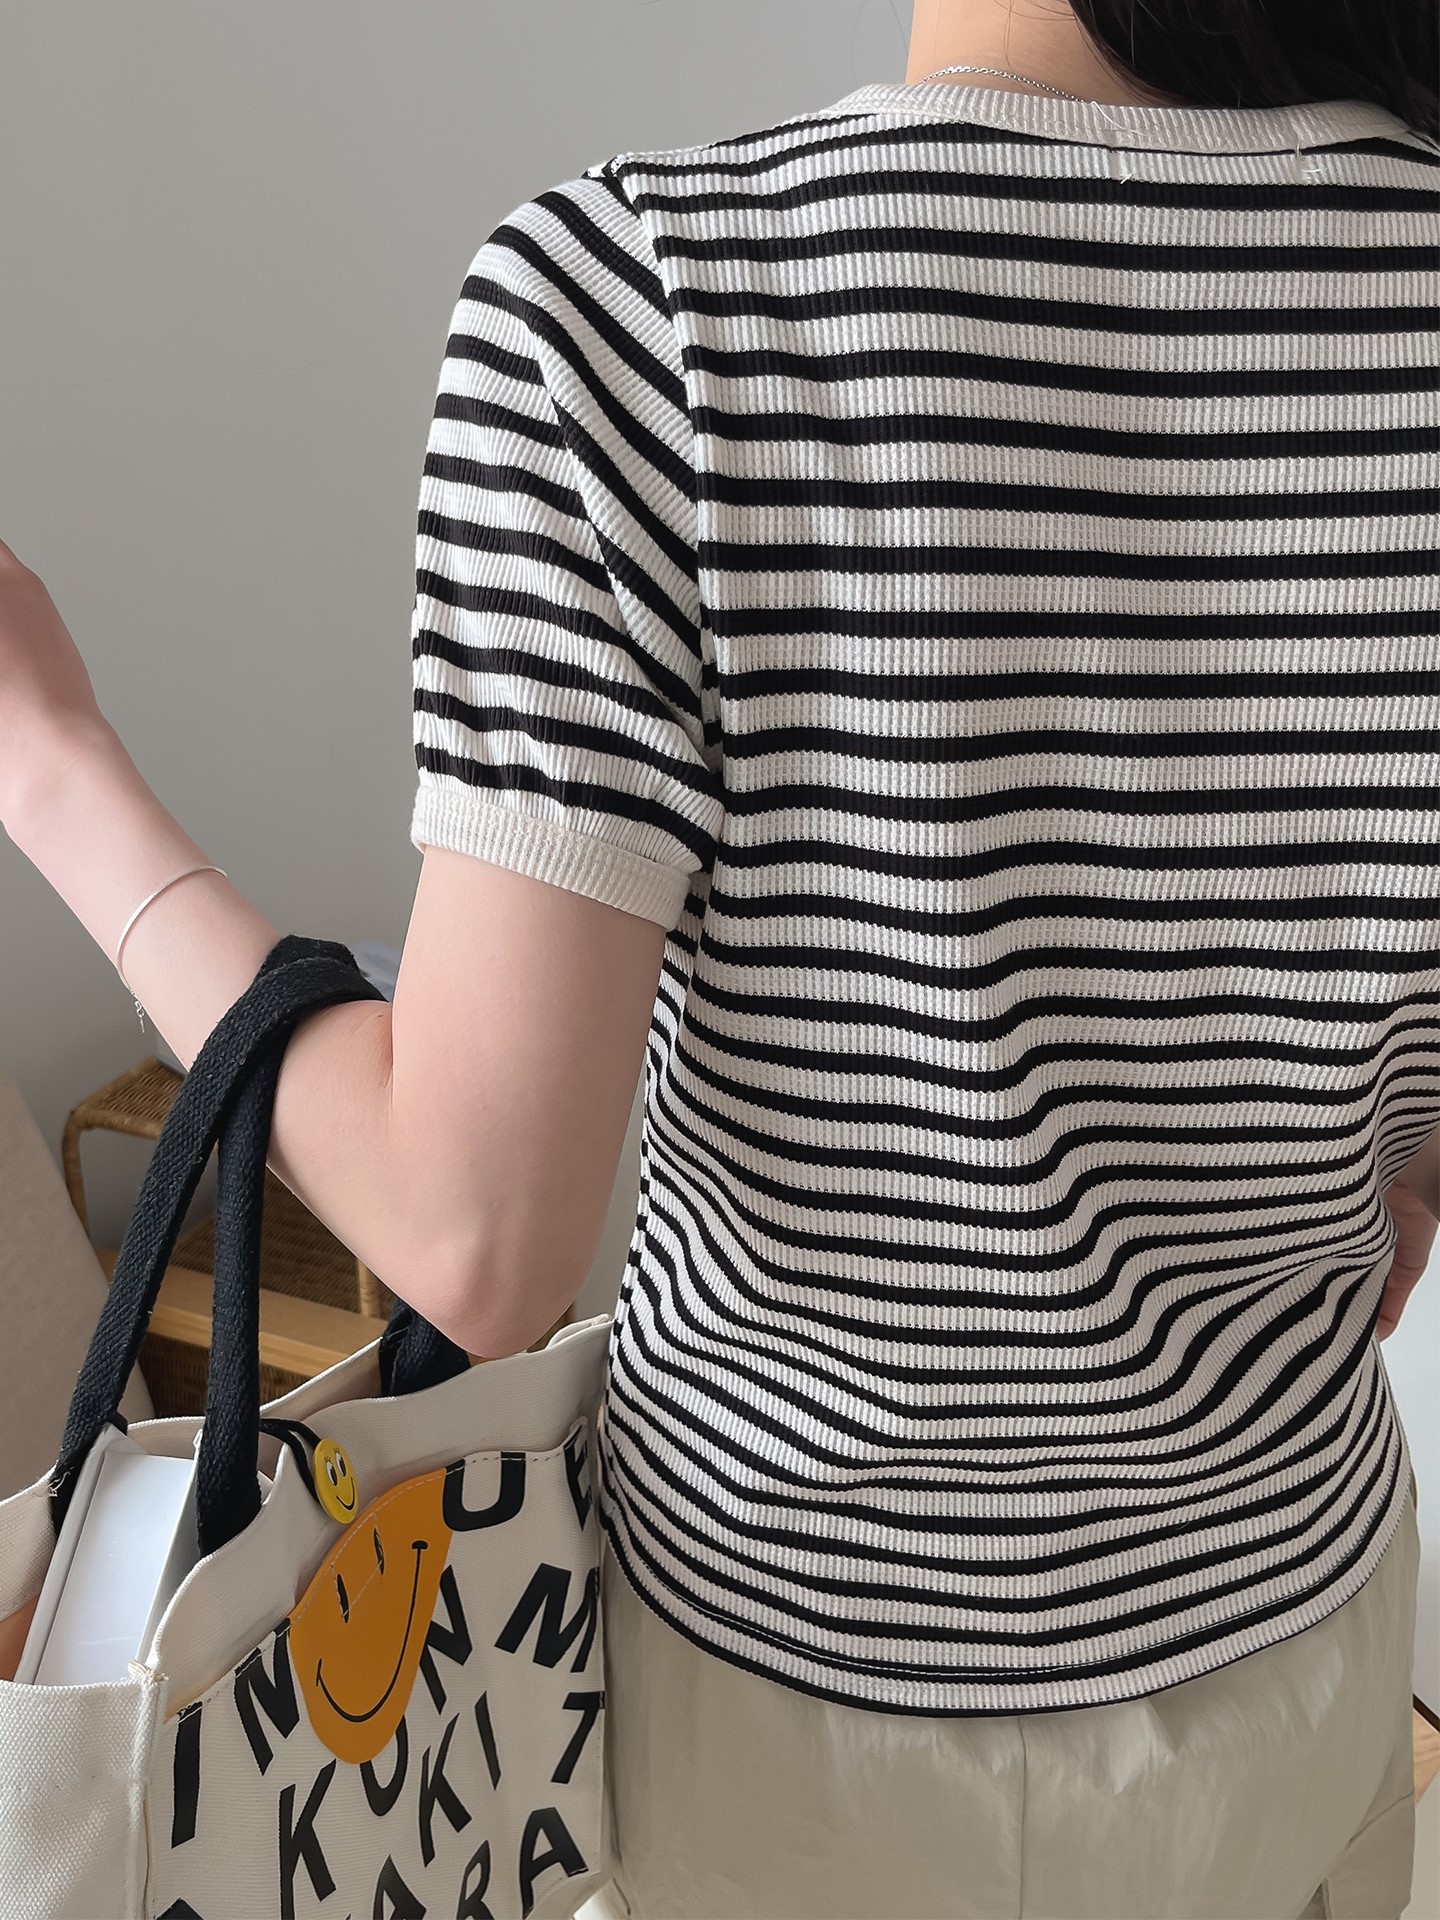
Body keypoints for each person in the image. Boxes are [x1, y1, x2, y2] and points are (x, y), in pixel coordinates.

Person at [0, 0, 1435, 1912]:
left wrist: (47, 754)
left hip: (802, 1721)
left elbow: (473, 1235)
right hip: (1295, 1642)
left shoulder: (646, 306)